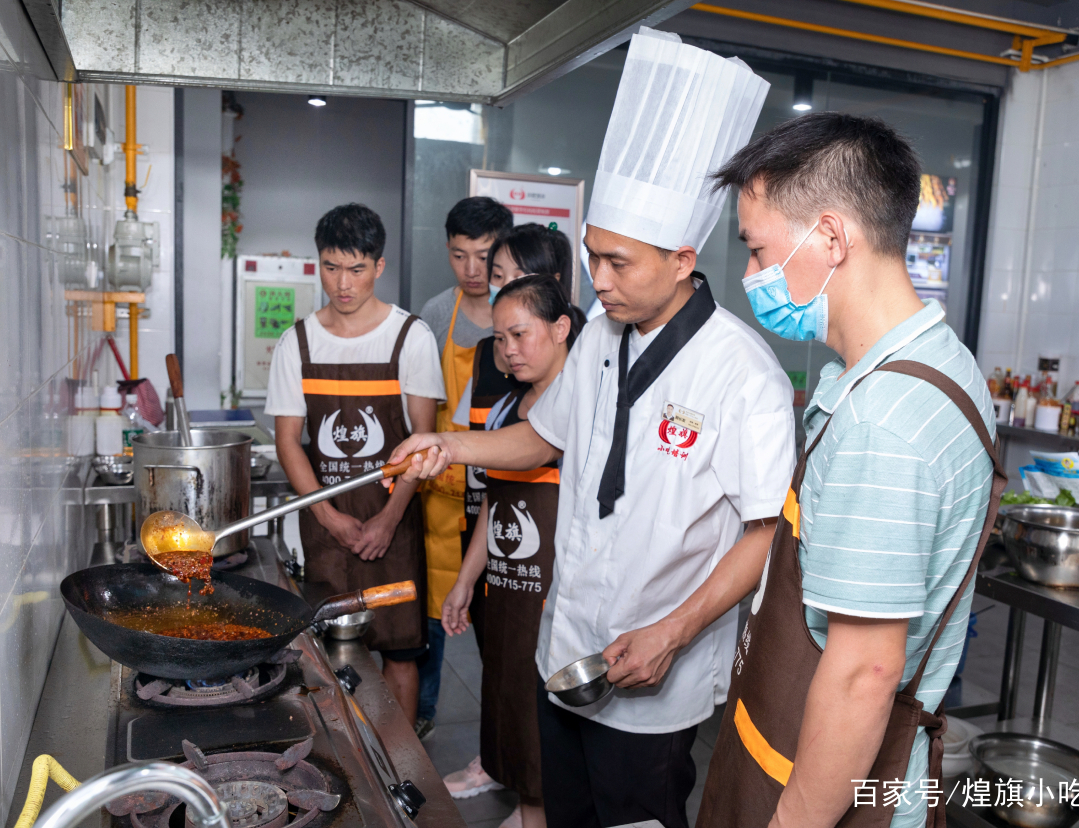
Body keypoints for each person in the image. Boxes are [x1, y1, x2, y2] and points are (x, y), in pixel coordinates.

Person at [392, 29, 794, 828]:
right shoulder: (601, 340)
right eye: (593, 258)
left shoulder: (742, 374)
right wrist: (452, 444)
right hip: (568, 644)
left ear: (683, 259)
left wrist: (674, 633)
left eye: (619, 265)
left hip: (656, 668)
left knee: (636, 817)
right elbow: (547, 439)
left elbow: (764, 536)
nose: (596, 283)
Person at [696, 114, 1004, 828]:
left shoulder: (883, 422)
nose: (750, 278)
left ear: (831, 238)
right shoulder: (933, 365)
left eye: (759, 251)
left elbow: (865, 671)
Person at [266, 204, 445, 725]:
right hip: (326, 528)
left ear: (379, 266)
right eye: (330, 267)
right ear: (318, 264)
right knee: (327, 657)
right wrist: (329, 518)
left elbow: (422, 443)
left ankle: (402, 772)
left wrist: (388, 520)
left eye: (357, 268)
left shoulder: (410, 337)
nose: (343, 284)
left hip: (394, 521)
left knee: (401, 652)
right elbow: (288, 443)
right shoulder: (295, 342)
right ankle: (347, 763)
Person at [442, 225, 579, 804]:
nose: (508, 351)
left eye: (519, 334)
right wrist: (467, 579)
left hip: (553, 590)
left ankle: (537, 808)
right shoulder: (504, 399)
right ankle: (523, 801)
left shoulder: (579, 397)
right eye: (500, 339)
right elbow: (497, 498)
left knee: (542, 711)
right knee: (504, 690)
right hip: (504, 577)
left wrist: (445, 445)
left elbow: (538, 449)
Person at [415, 196, 514, 740]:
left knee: (501, 625)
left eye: (484, 257)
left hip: (505, 486)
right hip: (440, 493)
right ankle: (424, 711)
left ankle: (502, 734)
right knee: (432, 618)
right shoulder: (434, 314)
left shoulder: (523, 313)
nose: (472, 271)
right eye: (459, 256)